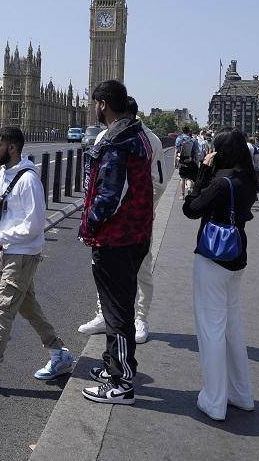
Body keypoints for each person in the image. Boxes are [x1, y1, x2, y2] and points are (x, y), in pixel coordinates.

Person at [0, 127, 73, 392]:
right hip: (11, 251)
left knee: (2, 309)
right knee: (27, 307)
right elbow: (2, 213)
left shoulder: (28, 179)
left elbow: (35, 224)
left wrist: (1, 238)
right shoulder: (4, 174)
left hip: (23, 254)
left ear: (12, 147)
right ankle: (59, 353)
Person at [79, 80, 153, 405]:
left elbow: (109, 195)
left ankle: (121, 382)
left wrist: (90, 225)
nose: (95, 109)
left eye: (96, 103)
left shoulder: (118, 143)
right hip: (135, 234)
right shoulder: (136, 135)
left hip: (117, 239)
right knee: (116, 306)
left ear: (103, 104)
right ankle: (112, 368)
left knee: (117, 311)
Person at [183, 128, 259, 421]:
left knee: (211, 329)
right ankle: (241, 394)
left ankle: (214, 400)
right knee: (232, 326)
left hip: (213, 258)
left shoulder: (221, 183)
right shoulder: (248, 181)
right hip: (237, 256)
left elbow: (191, 209)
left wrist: (202, 174)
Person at [77, 96, 165, 344]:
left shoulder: (149, 140)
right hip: (106, 223)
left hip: (135, 223)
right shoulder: (102, 137)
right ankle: (103, 314)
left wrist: (139, 211)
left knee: (141, 271)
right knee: (102, 271)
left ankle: (140, 318)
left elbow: (158, 183)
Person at [175, 126, 193, 196]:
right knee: (188, 177)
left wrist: (175, 161)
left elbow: (176, 151)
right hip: (189, 159)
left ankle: (182, 194)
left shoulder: (179, 139)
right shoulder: (192, 139)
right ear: (188, 131)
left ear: (182, 131)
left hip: (181, 159)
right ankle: (189, 189)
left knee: (182, 178)